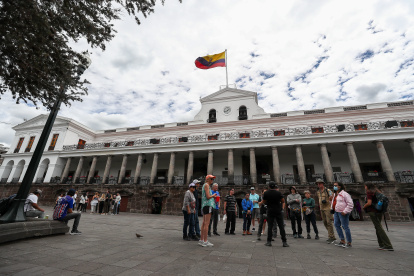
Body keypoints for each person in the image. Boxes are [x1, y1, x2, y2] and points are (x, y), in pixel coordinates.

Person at [363, 183, 393, 251]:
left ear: (367, 186)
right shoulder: (377, 192)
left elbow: (369, 203)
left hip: (373, 212)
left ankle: (388, 245)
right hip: (378, 212)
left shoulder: (369, 192)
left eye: (365, 186)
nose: (364, 187)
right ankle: (382, 244)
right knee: (378, 227)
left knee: (379, 227)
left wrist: (364, 206)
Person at [262, 181, 289, 247]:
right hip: (278, 211)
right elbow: (282, 201)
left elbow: (264, 202)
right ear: (274, 186)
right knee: (281, 226)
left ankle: (269, 242)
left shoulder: (266, 193)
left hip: (270, 211)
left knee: (270, 226)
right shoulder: (279, 193)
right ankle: (284, 242)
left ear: (269, 186)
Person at [332, 182, 354, 248]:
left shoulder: (345, 194)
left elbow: (350, 204)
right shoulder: (335, 194)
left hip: (342, 212)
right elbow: (335, 203)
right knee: (336, 225)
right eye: (334, 186)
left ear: (340, 186)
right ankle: (342, 240)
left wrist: (345, 211)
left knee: (345, 226)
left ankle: (349, 242)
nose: (334, 187)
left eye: (335, 185)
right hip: (336, 212)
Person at [316, 179, 336, 243]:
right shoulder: (318, 191)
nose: (318, 185)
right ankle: (331, 235)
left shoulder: (328, 190)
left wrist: (330, 197)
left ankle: (331, 236)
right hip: (322, 208)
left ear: (322, 183)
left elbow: (332, 196)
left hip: (327, 207)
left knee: (329, 222)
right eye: (317, 184)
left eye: (319, 183)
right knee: (324, 222)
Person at [200, 175, 217, 247]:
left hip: (205, 205)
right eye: (211, 179)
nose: (212, 180)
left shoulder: (206, 185)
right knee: (207, 223)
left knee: (204, 223)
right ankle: (205, 241)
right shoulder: (206, 185)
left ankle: (201, 240)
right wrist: (213, 195)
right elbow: (208, 196)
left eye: (213, 179)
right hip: (208, 205)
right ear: (207, 179)